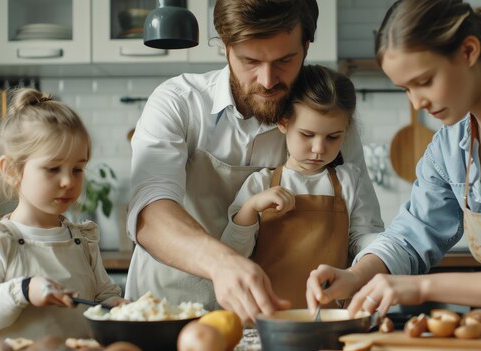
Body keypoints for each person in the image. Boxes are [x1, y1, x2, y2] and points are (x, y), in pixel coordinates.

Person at [306, 0, 481, 343]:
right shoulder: (447, 147)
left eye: (423, 81)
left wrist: (421, 286)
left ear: (468, 51)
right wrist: (355, 275)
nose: (416, 103)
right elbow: (410, 237)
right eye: (406, 89)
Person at [126, 0, 382, 322]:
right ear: (226, 47)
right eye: (250, 61)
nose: (267, 80)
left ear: (306, 46)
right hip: (168, 311)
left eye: (285, 60)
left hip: (274, 323)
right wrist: (222, 263)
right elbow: (151, 212)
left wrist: (369, 274)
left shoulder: (326, 123)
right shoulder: (179, 102)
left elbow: (365, 229)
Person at [0, 88, 127, 339]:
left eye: (77, 169)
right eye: (53, 169)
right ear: (11, 170)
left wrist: (117, 306)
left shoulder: (82, 239)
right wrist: (23, 290)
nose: (68, 182)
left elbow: (103, 295)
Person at [220, 65, 384, 308]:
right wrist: (250, 209)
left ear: (346, 132)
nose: (319, 149)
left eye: (333, 137)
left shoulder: (350, 181)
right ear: (284, 123)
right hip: (267, 320)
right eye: (307, 135)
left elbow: (362, 241)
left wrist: (388, 249)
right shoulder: (260, 184)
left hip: (330, 318)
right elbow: (231, 254)